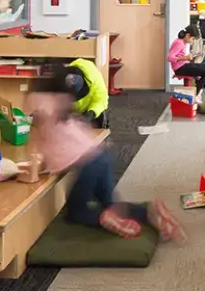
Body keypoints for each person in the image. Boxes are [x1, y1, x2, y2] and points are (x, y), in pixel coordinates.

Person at [29, 67, 185, 242]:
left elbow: (42, 137)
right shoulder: (66, 104)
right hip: (102, 154)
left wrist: (40, 160)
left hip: (89, 164)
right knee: (111, 204)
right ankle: (148, 210)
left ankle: (105, 218)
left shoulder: (42, 104)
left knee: (76, 211)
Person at [167, 26, 205, 92]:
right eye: (193, 39)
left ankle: (198, 85)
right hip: (179, 68)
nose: (192, 41)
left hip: (184, 65)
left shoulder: (183, 42)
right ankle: (196, 93)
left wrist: (190, 58)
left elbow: (180, 56)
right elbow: (169, 58)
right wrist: (185, 58)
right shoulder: (179, 43)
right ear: (188, 35)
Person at [65, 57, 109, 127]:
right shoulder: (60, 80)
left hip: (89, 109)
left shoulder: (95, 78)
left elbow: (101, 100)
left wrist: (91, 113)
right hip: (71, 111)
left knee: (99, 116)